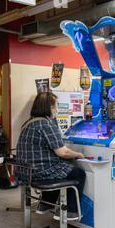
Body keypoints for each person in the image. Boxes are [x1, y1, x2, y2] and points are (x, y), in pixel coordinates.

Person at [16, 92, 85, 220]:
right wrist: (78, 154)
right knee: (78, 173)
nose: (57, 109)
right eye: (56, 106)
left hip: (25, 172)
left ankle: (45, 204)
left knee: (63, 167)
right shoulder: (46, 124)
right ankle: (70, 212)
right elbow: (63, 152)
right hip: (40, 172)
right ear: (49, 107)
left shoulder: (29, 123)